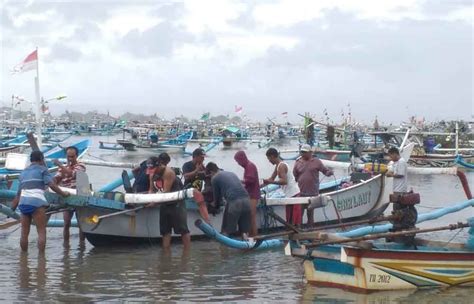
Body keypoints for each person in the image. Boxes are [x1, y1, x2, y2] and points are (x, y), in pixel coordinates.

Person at [11, 151, 70, 252]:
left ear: (31, 160)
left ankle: (23, 259)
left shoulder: (23, 172)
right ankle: (41, 260)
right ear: (41, 159)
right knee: (41, 231)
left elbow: (18, 194)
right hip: (37, 204)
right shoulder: (43, 170)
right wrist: (63, 193)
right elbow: (51, 185)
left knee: (24, 234)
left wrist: (12, 208)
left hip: (23, 204)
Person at [147, 153, 191, 249]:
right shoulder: (151, 173)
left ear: (159, 165)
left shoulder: (168, 173)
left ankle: (187, 253)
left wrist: (154, 202)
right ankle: (166, 254)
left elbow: (166, 192)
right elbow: (151, 190)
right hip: (164, 203)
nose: (152, 172)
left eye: (154, 169)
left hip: (176, 203)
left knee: (183, 230)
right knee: (165, 231)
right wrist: (149, 199)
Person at [205, 162, 251, 238]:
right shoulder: (231, 173)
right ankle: (247, 246)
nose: (210, 178)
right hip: (247, 200)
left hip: (234, 203)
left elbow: (217, 199)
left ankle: (224, 249)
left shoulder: (215, 178)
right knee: (244, 231)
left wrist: (212, 206)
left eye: (209, 176)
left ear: (211, 172)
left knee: (226, 232)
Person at [293, 144, 333, 225]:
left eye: (305, 152)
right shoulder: (297, 162)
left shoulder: (317, 161)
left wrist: (329, 172)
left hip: (313, 192)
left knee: (310, 212)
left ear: (310, 152)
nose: (303, 154)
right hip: (301, 192)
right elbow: (295, 175)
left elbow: (325, 171)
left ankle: (310, 228)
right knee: (300, 212)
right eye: (302, 152)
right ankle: (299, 229)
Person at [53, 146, 86, 242]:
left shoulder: (81, 165)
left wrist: (60, 165)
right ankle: (66, 247)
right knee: (66, 223)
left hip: (79, 197)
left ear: (77, 156)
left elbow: (72, 174)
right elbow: (56, 179)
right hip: (66, 197)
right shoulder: (62, 168)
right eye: (68, 157)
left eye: (72, 156)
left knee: (81, 224)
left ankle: (81, 245)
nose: (70, 159)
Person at [262, 148, 300, 224]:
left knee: (293, 220)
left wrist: (272, 182)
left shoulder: (281, 166)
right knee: (289, 218)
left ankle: (295, 232)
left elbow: (284, 181)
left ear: (272, 156)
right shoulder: (278, 165)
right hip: (289, 195)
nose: (269, 161)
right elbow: (271, 178)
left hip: (293, 194)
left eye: (269, 159)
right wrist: (260, 185)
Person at [233, 151, 260, 236]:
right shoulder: (248, 167)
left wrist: (241, 182)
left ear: (242, 159)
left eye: (238, 161)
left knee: (251, 217)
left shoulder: (250, 166)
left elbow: (250, 180)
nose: (238, 164)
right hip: (249, 195)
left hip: (253, 195)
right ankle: (251, 236)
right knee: (249, 217)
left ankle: (255, 237)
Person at [182, 148, 210, 223]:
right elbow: (186, 176)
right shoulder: (187, 165)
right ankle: (207, 222)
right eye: (201, 157)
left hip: (199, 192)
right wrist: (196, 170)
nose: (203, 159)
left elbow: (207, 178)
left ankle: (206, 221)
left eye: (204, 157)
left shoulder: (203, 167)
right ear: (195, 157)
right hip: (189, 191)